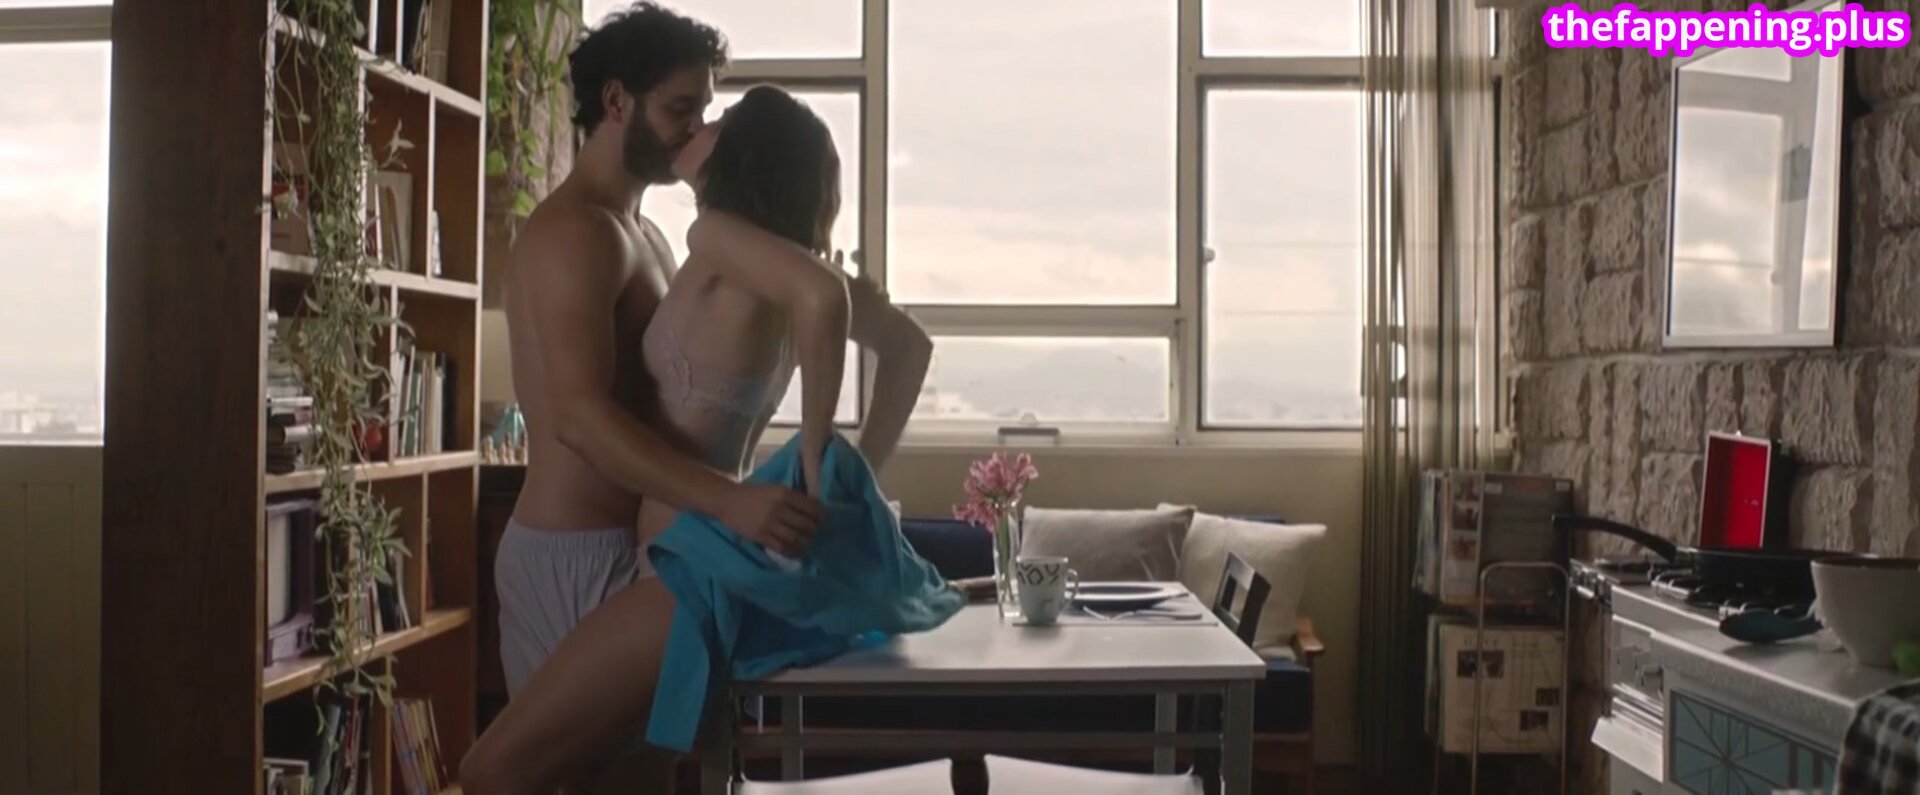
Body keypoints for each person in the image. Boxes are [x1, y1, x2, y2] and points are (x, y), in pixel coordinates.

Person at [463, 39, 932, 795]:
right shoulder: (626, 240)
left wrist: (824, 468)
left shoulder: (690, 240)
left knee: (517, 775)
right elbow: (907, 346)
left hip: (676, 563)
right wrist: (837, 480)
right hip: (626, 557)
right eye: (685, 109)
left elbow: (839, 313)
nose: (696, 127)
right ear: (617, 103)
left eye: (711, 117)